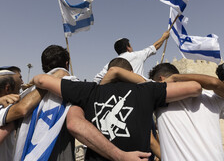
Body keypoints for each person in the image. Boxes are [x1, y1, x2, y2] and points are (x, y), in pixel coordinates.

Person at [29, 60, 201, 161]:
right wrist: (174, 78)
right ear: (131, 73)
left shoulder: (88, 91)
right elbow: (195, 88)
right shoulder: (148, 90)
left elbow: (41, 80)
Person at [149, 63, 224, 160]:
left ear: (161, 79)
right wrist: (176, 78)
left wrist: (174, 78)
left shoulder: (157, 98)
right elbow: (215, 84)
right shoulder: (211, 97)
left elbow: (215, 83)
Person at [0, 70, 45, 161]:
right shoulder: (2, 108)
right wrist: (46, 85)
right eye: (18, 89)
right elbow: (22, 109)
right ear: (7, 88)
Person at [93, 31, 170, 83]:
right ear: (128, 47)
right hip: (138, 92)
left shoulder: (110, 64)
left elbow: (96, 79)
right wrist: (164, 37)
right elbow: (155, 46)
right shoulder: (138, 55)